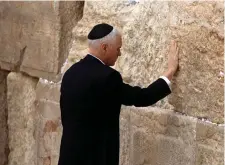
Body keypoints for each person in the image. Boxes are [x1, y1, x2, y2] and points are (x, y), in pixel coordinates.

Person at [58, 23, 179, 165]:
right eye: (118, 49)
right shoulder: (107, 77)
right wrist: (170, 71)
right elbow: (142, 97)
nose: (119, 53)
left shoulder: (71, 73)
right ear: (104, 47)